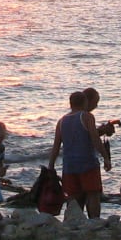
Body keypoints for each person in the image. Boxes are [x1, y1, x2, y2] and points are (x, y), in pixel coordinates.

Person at [48, 90, 107, 220]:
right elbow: (95, 139)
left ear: (70, 104)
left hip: (69, 166)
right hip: (88, 163)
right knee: (93, 194)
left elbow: (56, 146)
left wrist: (51, 166)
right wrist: (106, 157)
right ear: (85, 102)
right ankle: (94, 221)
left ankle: (73, 221)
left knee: (73, 197)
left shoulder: (61, 121)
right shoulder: (87, 117)